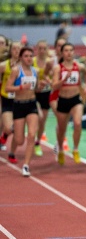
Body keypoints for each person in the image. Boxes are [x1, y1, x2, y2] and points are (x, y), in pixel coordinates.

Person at [5, 47, 48, 177]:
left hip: (31, 105)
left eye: (31, 56)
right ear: (21, 58)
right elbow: (8, 88)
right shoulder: (16, 71)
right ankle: (13, 136)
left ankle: (26, 165)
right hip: (18, 105)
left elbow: (35, 90)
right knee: (19, 140)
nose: (29, 58)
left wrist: (40, 87)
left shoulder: (36, 71)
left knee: (31, 134)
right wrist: (21, 87)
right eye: (26, 56)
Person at [52, 43, 86, 165]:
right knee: (62, 129)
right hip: (63, 100)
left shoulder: (78, 66)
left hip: (75, 99)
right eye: (66, 50)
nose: (69, 53)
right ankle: (61, 150)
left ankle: (75, 149)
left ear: (73, 52)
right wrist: (63, 79)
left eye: (71, 50)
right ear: (62, 53)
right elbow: (54, 86)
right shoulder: (58, 68)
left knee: (78, 123)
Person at [0, 41, 21, 162]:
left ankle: (12, 153)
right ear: (11, 51)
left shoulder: (26, 66)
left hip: (20, 100)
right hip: (7, 99)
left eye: (19, 49)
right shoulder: (4, 65)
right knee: (9, 127)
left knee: (18, 130)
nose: (17, 51)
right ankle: (5, 135)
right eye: (15, 49)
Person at [33, 40, 53, 156]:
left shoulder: (50, 63)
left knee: (42, 120)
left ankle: (37, 142)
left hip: (46, 93)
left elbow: (53, 79)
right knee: (38, 116)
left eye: (44, 48)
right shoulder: (32, 61)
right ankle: (32, 138)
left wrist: (48, 82)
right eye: (40, 48)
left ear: (47, 49)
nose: (42, 51)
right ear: (37, 49)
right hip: (34, 93)